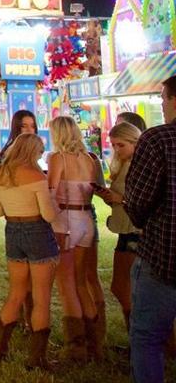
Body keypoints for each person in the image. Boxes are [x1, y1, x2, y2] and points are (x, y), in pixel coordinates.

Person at [0, 134, 59, 369]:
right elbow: (48, 216)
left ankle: (0, 350)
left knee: (15, 293)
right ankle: (37, 358)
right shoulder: (37, 176)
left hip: (13, 231)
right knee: (41, 297)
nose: (41, 156)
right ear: (32, 152)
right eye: (40, 151)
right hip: (37, 231)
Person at [123, 75, 176, 383]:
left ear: (172, 100)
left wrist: (139, 218)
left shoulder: (158, 139)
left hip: (163, 255)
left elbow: (138, 200)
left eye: (162, 99)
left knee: (147, 337)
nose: (162, 105)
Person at [47, 115, 99, 362]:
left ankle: (75, 346)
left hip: (65, 219)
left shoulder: (58, 158)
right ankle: (95, 344)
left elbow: (51, 192)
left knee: (66, 284)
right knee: (80, 282)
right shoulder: (90, 159)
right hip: (87, 218)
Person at [96, 121, 141, 335]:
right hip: (124, 228)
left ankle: (141, 337)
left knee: (126, 287)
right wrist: (109, 198)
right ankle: (137, 336)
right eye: (113, 145)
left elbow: (144, 201)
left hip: (135, 231)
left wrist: (119, 199)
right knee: (122, 287)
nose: (116, 149)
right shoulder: (123, 164)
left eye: (120, 145)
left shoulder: (139, 166)